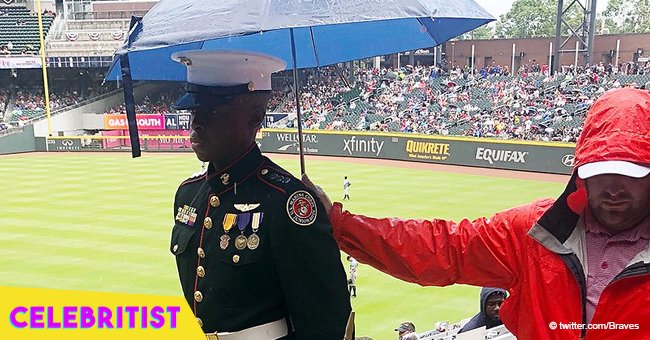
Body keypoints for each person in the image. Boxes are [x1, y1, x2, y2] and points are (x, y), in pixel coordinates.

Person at [304, 88, 650, 339]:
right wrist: (339, 223)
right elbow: (443, 248)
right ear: (580, 171)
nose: (615, 188)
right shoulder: (533, 231)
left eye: (632, 173)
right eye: (601, 171)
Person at [170, 50, 351, 339]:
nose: (196, 123)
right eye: (194, 110)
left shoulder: (286, 201)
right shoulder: (188, 195)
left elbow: (326, 324)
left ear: (255, 118)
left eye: (212, 110)